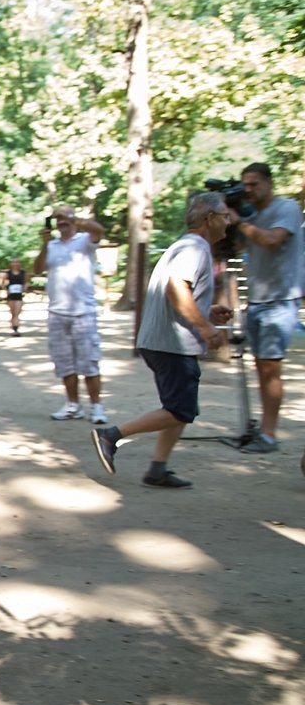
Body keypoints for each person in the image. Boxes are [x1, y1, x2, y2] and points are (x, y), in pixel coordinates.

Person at [92, 192, 235, 488]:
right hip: (172, 343)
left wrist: (206, 310)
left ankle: (158, 468)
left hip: (164, 340)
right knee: (180, 410)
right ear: (209, 219)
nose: (229, 221)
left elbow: (180, 294)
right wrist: (206, 328)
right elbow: (175, 289)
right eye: (224, 216)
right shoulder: (195, 248)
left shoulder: (185, 246)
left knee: (177, 408)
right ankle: (111, 435)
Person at [234, 163, 303, 454]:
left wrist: (240, 222)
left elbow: (272, 240)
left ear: (268, 183)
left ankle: (269, 435)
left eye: (253, 184)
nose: (248, 190)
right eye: (244, 185)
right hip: (257, 301)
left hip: (280, 299)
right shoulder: (253, 215)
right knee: (261, 368)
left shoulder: (287, 208)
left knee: (271, 368)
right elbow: (237, 248)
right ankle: (263, 430)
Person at [33, 205, 108, 423]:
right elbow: (37, 269)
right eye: (59, 219)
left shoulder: (85, 240)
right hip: (57, 313)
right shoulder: (52, 245)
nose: (61, 222)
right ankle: (73, 405)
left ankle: (96, 407)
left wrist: (73, 217)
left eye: (64, 218)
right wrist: (44, 244)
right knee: (65, 363)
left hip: (83, 312)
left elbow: (98, 229)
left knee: (89, 362)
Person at [1, 256, 27, 335]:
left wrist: (25, 287)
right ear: (11, 264)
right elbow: (2, 283)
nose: (16, 264)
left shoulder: (23, 273)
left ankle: (16, 329)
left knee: (17, 312)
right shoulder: (8, 273)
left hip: (19, 294)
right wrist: (7, 289)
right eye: (14, 262)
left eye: (17, 262)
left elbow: (26, 282)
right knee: (12, 312)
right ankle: (13, 326)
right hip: (11, 295)